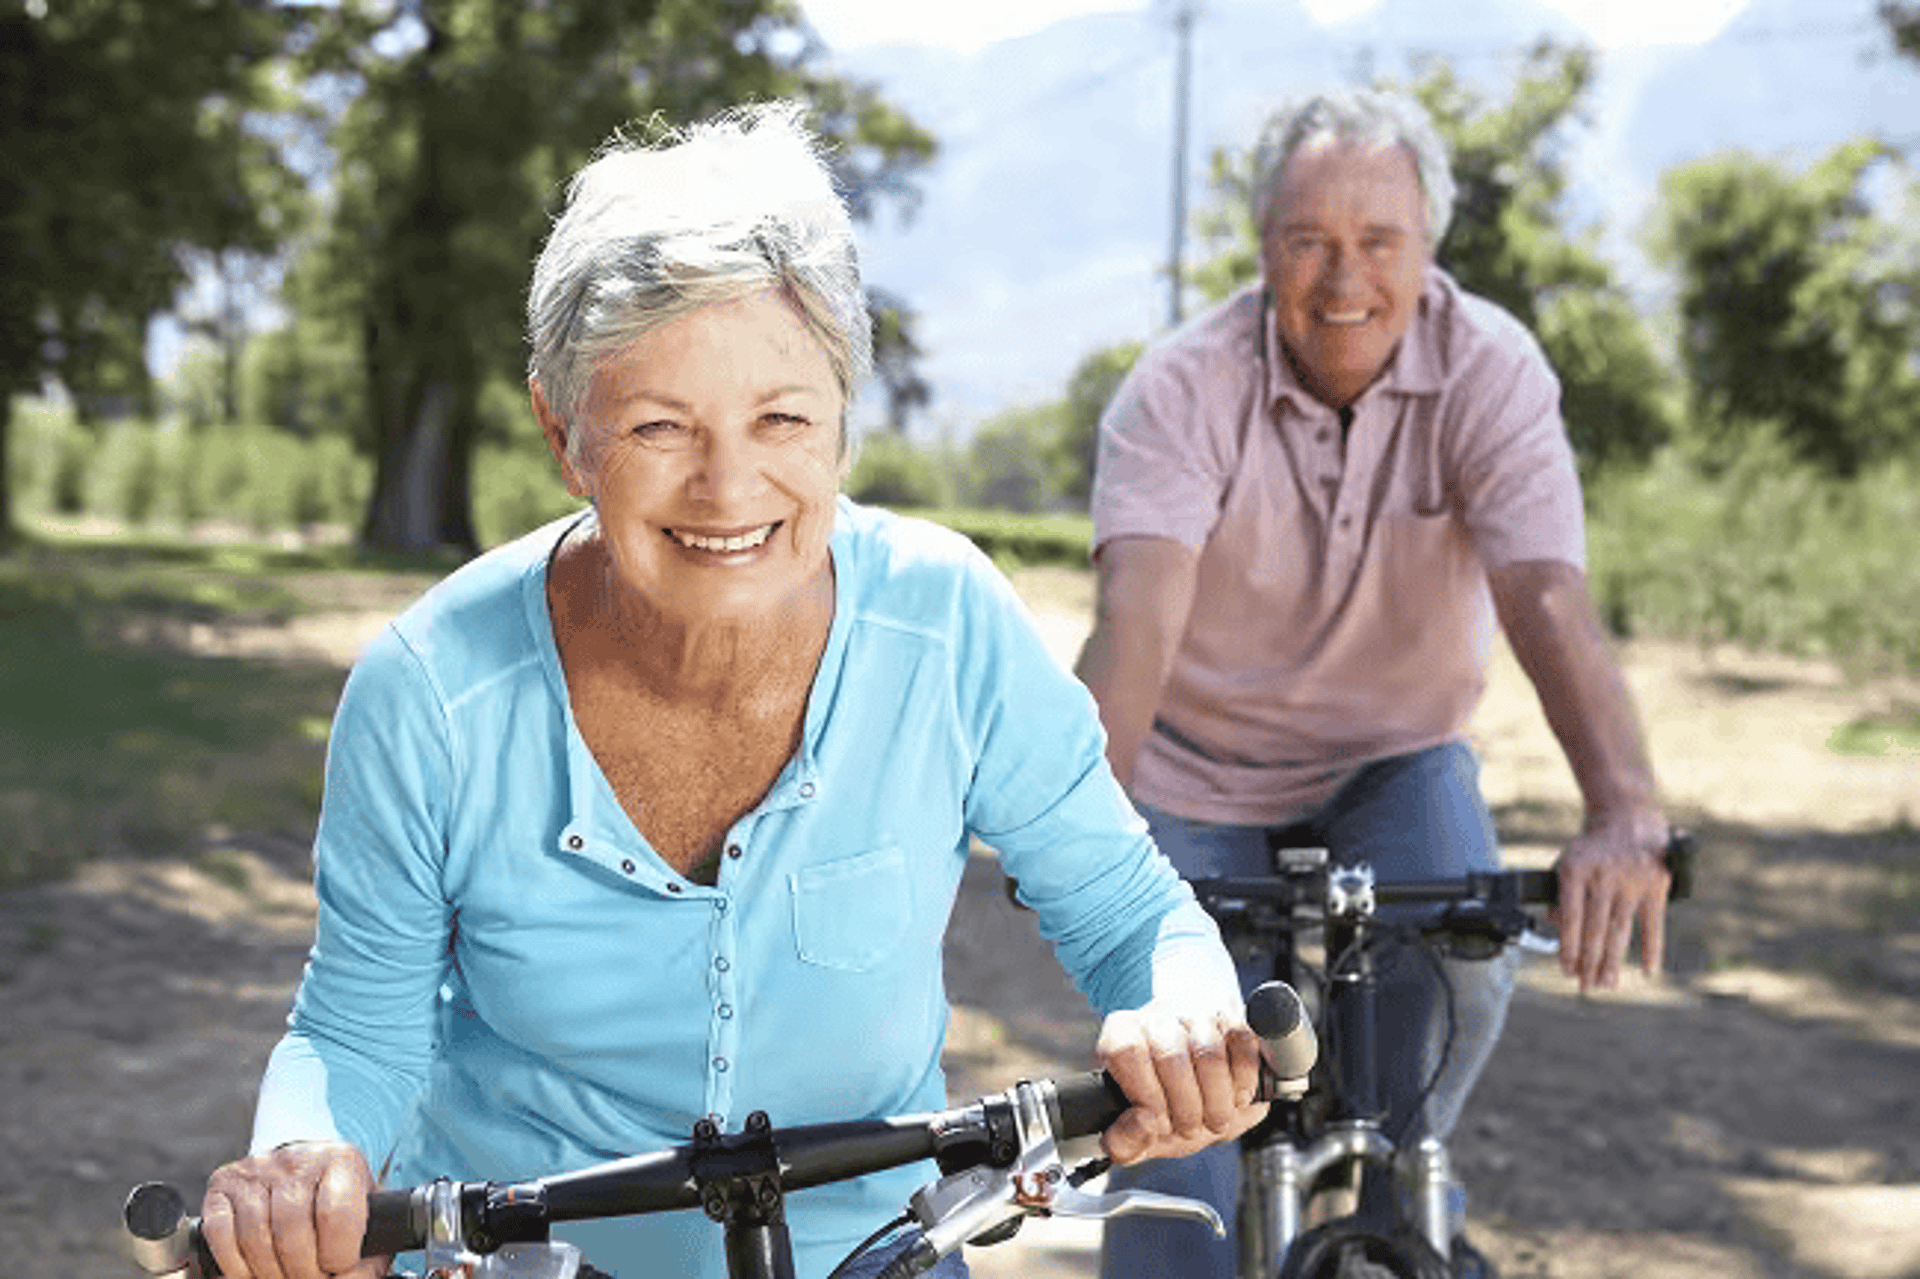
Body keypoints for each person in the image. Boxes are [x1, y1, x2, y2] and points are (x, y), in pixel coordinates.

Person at [199, 103, 1271, 1279]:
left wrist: (1181, 1000)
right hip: (527, 1258)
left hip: (870, 1249)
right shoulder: (430, 695)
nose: (728, 486)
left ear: (842, 426)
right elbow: (358, 1026)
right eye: (661, 425)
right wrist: (305, 1157)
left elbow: (1130, 913)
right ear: (568, 439)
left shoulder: (950, 623)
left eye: (782, 419)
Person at [1082, 88, 1674, 1277]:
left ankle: (1394, 1179)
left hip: (1393, 755)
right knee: (1179, 1116)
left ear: (1429, 250)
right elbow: (1135, 623)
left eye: (1379, 241)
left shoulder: (1491, 372)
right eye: (1309, 240)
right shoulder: (1181, 386)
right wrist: (1080, 838)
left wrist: (1622, 812)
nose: (1343, 276)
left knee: (1463, 956)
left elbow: (1546, 595)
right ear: (1263, 250)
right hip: (1198, 765)